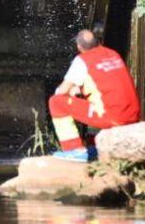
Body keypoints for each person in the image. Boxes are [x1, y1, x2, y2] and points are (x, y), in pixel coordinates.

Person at [49, 29, 140, 161]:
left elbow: (61, 91)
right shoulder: (112, 53)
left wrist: (65, 91)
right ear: (97, 42)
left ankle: (73, 150)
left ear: (79, 47)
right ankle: (94, 146)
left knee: (56, 102)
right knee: (94, 101)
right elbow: (106, 84)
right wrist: (79, 89)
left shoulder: (82, 60)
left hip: (113, 117)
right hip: (132, 115)